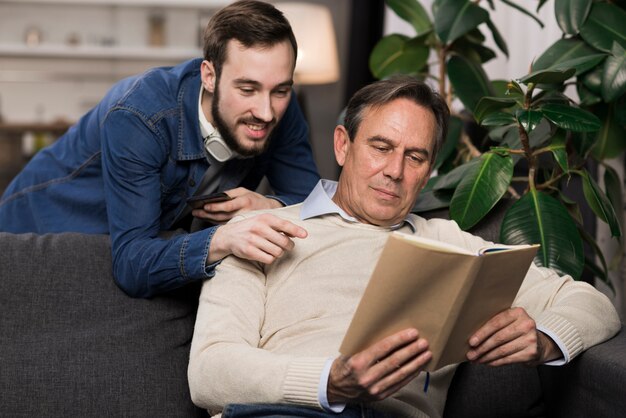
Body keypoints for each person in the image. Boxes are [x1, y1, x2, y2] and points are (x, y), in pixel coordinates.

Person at [187, 76, 621, 418]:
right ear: (343, 144)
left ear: (430, 170)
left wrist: (547, 338)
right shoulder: (258, 229)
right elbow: (210, 372)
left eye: (415, 157)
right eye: (381, 147)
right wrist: (330, 381)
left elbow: (593, 302)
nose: (394, 170)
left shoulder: (449, 243)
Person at [0, 1, 319, 298]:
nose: (265, 112)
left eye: (280, 90)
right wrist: (221, 239)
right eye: (247, 89)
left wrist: (271, 204)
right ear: (209, 76)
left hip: (132, 244)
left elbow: (314, 206)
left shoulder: (280, 107)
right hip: (31, 233)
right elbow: (132, 264)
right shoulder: (139, 116)